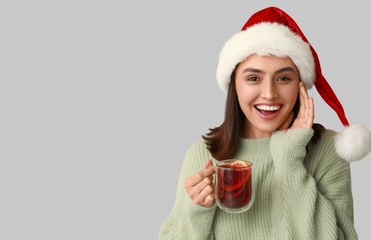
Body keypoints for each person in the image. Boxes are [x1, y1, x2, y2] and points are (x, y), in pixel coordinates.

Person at [159, 6, 371, 240]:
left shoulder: (329, 150)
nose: (269, 94)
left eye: (283, 78)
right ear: (234, 86)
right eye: (253, 78)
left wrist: (289, 158)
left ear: (300, 85)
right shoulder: (203, 155)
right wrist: (196, 211)